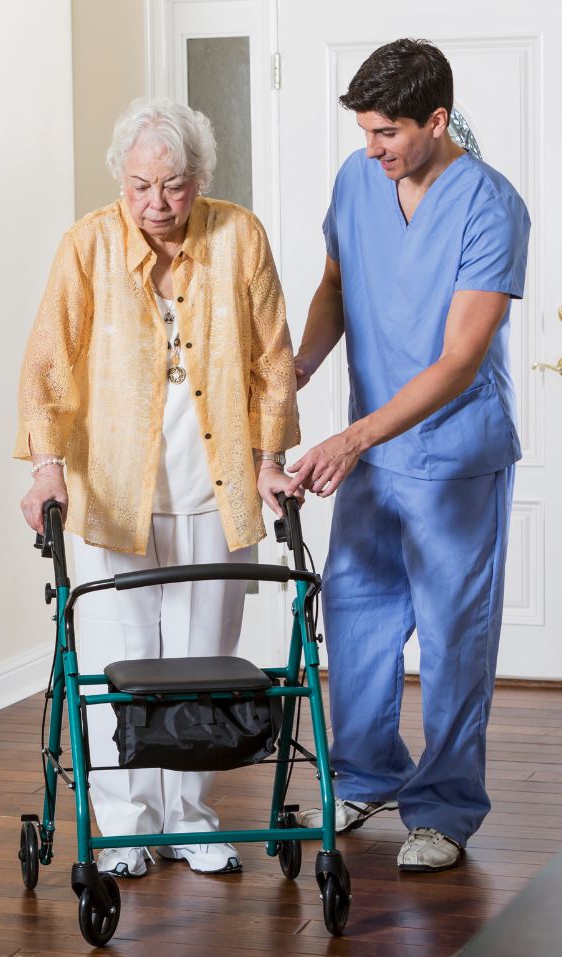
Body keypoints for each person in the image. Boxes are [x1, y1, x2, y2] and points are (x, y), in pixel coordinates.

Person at [15, 98, 300, 878]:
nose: (156, 204)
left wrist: (270, 455)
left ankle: (193, 817)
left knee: (205, 662)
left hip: (216, 489)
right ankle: (128, 822)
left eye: (173, 185)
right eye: (140, 185)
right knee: (120, 659)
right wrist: (46, 467)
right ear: (121, 180)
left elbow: (273, 359)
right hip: (109, 492)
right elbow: (45, 368)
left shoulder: (239, 236)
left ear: (199, 179)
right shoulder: (88, 245)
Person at [286, 39, 530, 872]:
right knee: (354, 615)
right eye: (364, 131)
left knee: (455, 637)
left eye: (387, 132)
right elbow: (335, 285)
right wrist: (300, 366)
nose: (372, 149)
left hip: (455, 457)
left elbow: (462, 356)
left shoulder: (491, 205)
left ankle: (446, 807)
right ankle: (366, 772)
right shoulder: (360, 181)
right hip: (373, 455)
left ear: (435, 120)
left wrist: (351, 436)